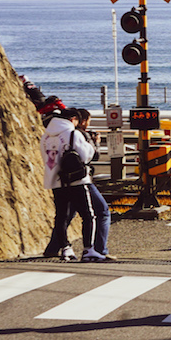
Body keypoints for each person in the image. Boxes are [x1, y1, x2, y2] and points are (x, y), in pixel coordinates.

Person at [41, 109, 114, 262]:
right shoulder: (72, 134)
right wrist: (94, 144)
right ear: (73, 119)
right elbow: (87, 155)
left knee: (61, 216)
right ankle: (89, 250)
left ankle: (65, 249)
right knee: (88, 215)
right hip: (77, 181)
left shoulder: (46, 135)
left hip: (56, 181)